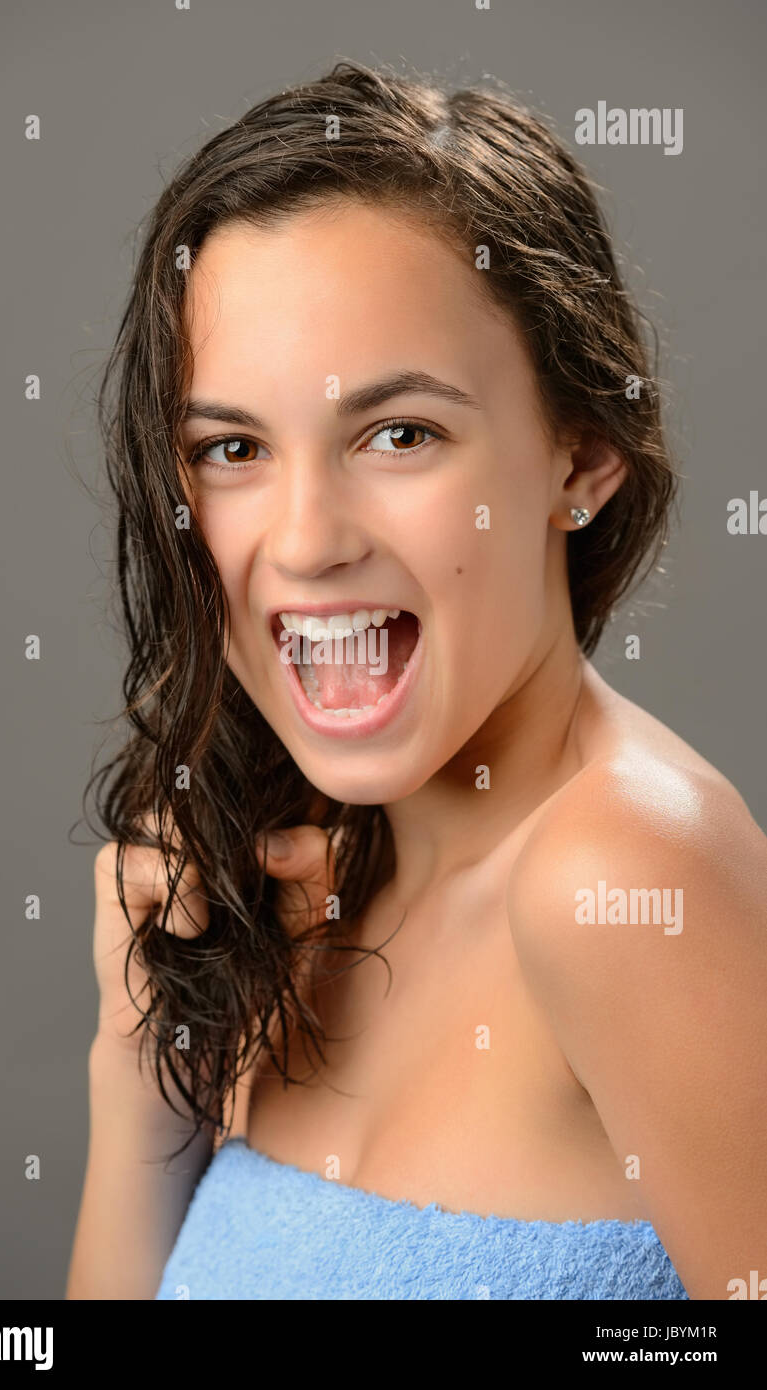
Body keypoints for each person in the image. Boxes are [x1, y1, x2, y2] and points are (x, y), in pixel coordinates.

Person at [66, 60, 767, 1301]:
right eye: (232, 449)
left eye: (399, 434)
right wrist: (136, 1064)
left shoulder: (622, 878)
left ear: (582, 453)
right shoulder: (294, 900)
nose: (303, 538)